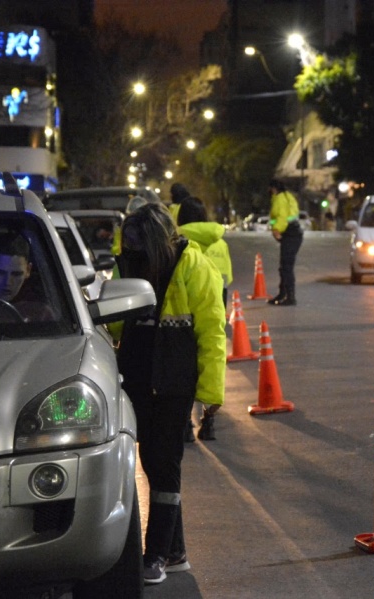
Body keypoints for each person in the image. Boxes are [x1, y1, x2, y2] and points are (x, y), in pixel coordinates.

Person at [115, 202, 226, 585]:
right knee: (152, 460)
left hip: (173, 384)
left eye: (136, 246)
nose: (130, 253)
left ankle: (158, 553)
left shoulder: (194, 268)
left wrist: (211, 394)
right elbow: (117, 324)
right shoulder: (128, 264)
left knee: (164, 463)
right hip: (137, 379)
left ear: (155, 243)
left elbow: (212, 332)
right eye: (127, 246)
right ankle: (175, 551)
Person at [176, 196, 233, 442]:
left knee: (186, 366)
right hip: (216, 300)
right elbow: (227, 276)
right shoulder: (220, 243)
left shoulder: (177, 244)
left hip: (184, 309)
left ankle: (187, 424)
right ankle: (208, 420)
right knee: (212, 358)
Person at [267, 179, 303, 306]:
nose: (269, 191)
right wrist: (274, 226)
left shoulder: (280, 199)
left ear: (274, 188)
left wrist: (276, 229)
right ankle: (283, 294)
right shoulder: (288, 196)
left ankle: (290, 297)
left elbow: (282, 217)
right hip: (293, 233)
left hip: (291, 233)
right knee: (284, 266)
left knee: (286, 267)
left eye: (270, 188)